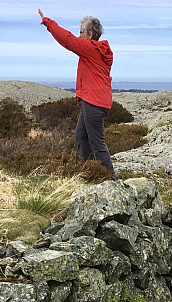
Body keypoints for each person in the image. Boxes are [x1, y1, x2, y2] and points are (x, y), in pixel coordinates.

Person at [38, 9, 115, 177]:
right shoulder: (98, 50)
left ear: (89, 35)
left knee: (97, 142)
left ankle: (109, 178)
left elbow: (67, 39)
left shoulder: (90, 49)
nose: (78, 35)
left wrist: (47, 22)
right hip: (95, 100)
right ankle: (93, 171)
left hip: (94, 101)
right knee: (81, 137)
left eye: (81, 32)